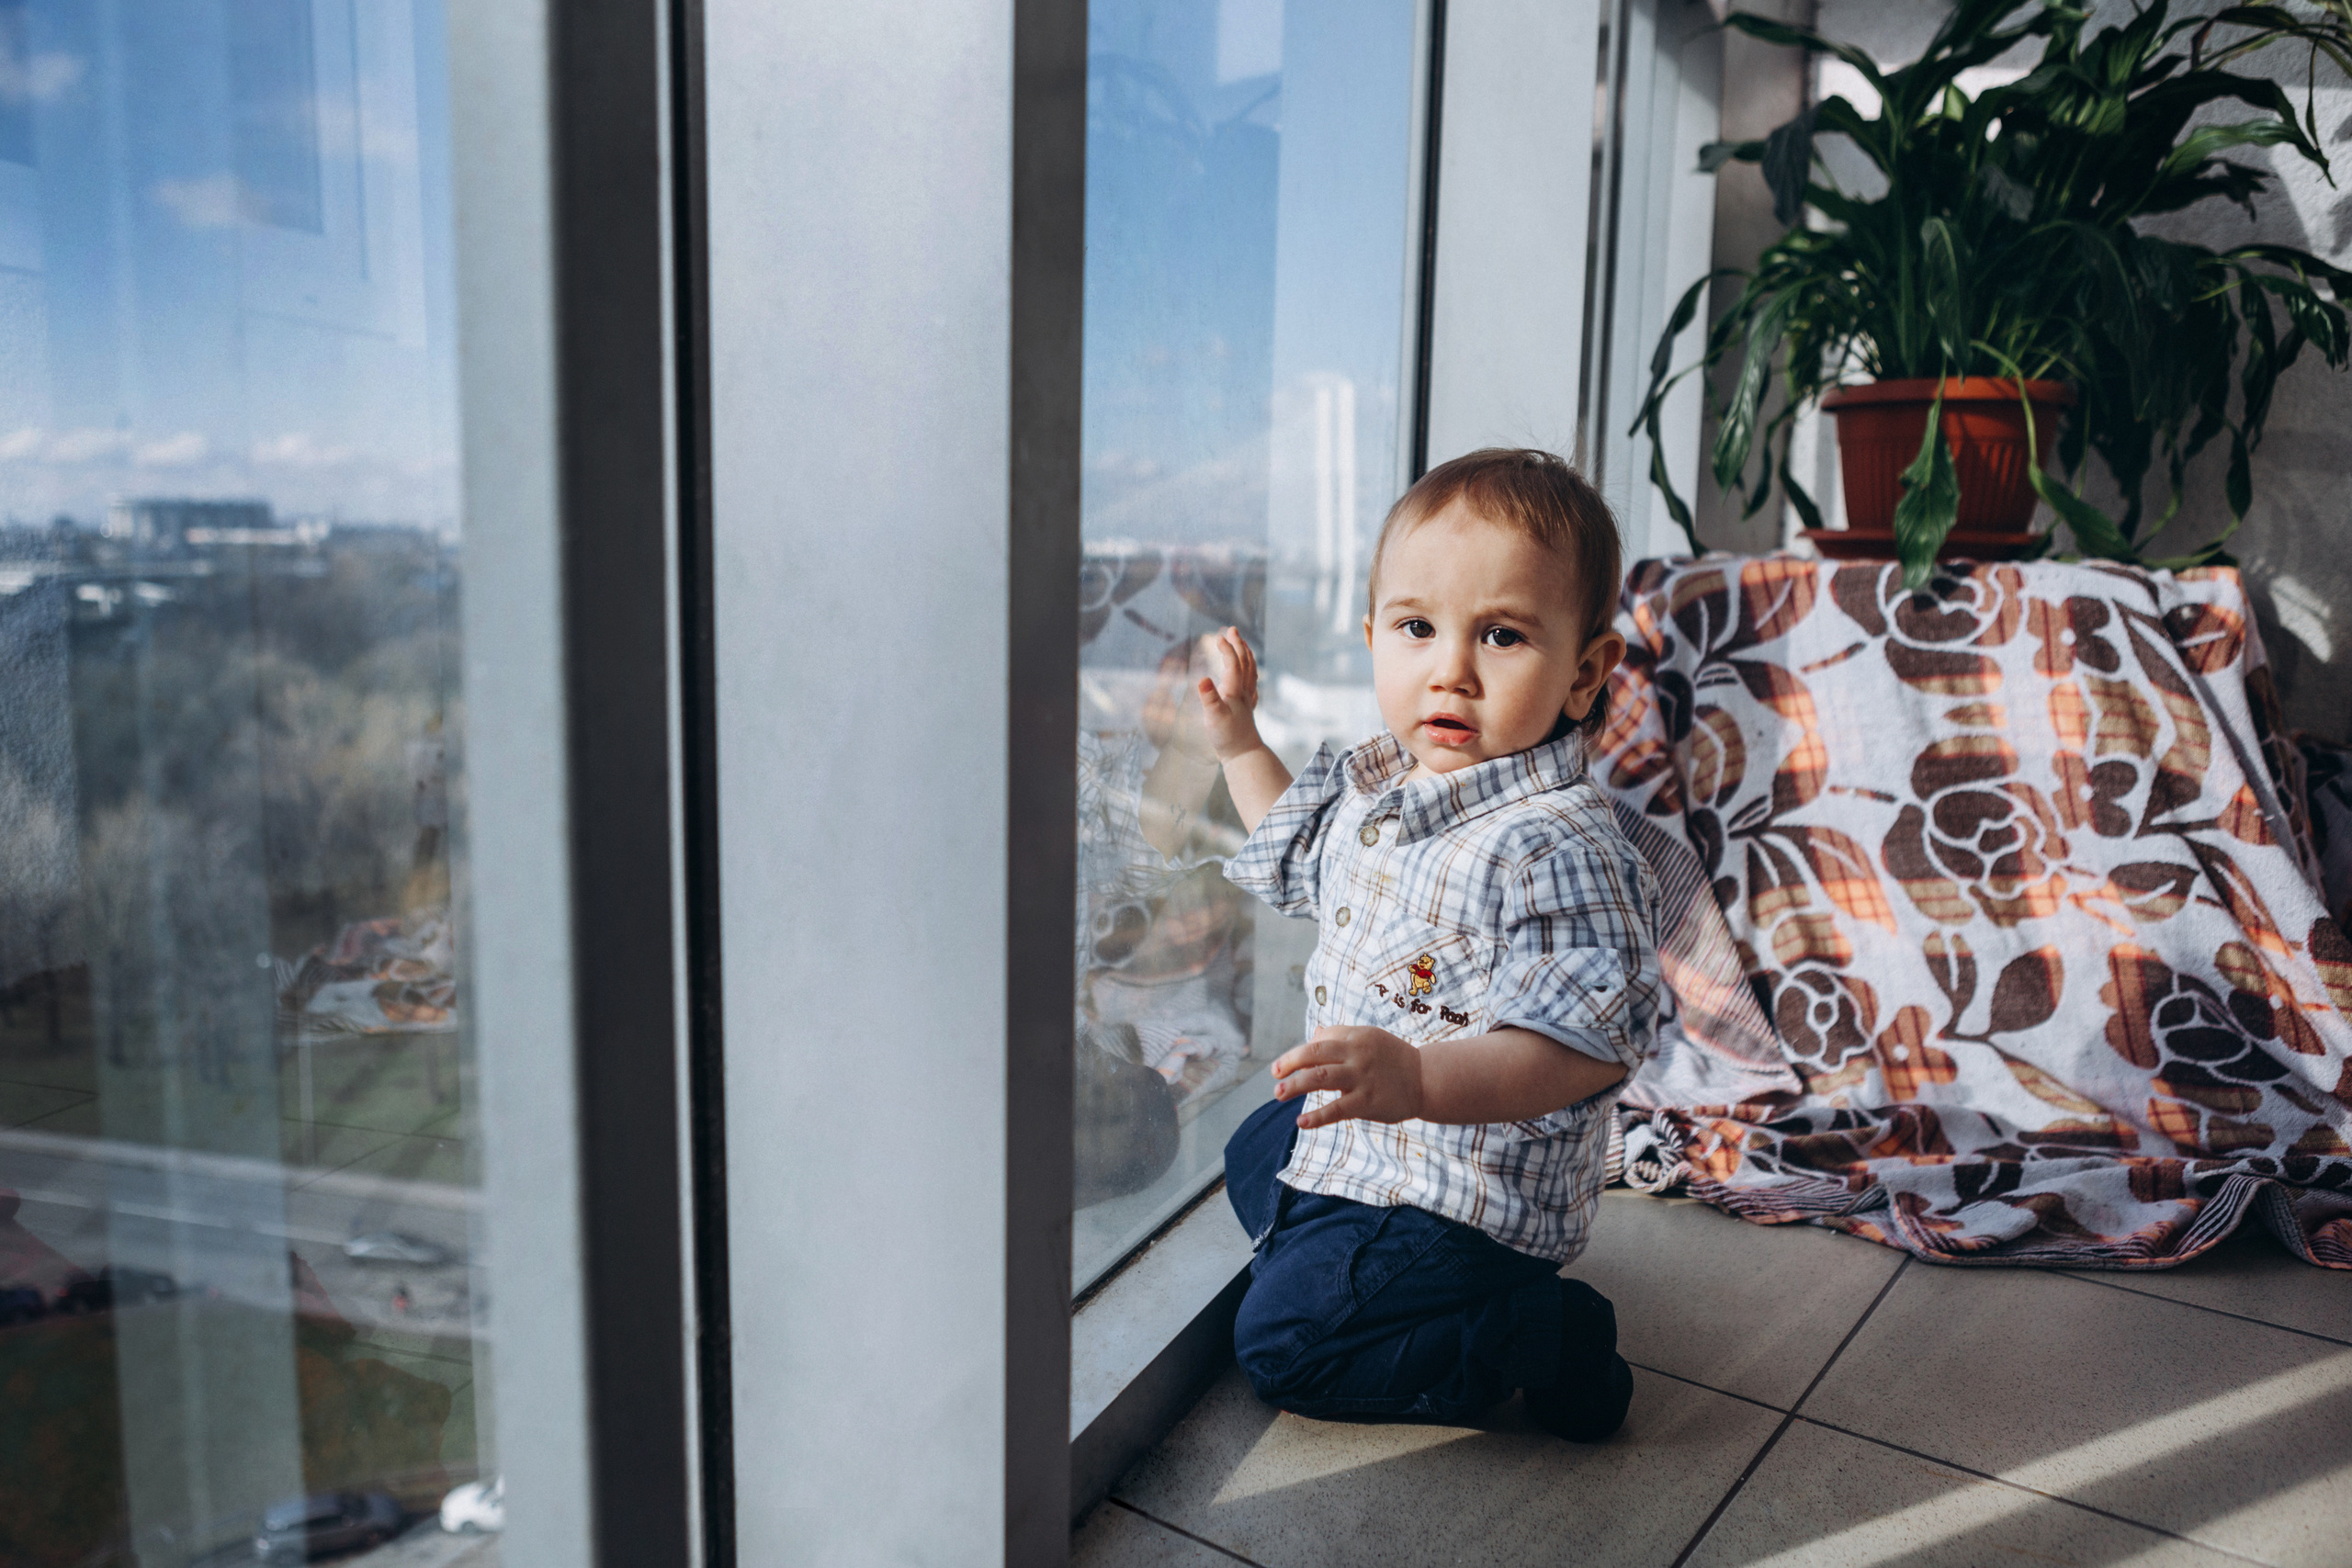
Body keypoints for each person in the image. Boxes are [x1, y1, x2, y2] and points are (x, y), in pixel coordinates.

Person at [1195, 447, 1660, 1441]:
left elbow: (1581, 1049)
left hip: (1466, 1194)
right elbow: (1296, 852)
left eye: (1500, 636)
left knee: (1280, 1347)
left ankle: (1536, 1329)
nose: (1449, 669)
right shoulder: (1383, 789)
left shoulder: (1555, 844)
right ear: (1373, 638)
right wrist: (1240, 741)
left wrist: (1418, 1079)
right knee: (1251, 1151)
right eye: (1416, 628)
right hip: (1379, 1142)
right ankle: (1341, 1264)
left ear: (1583, 672)